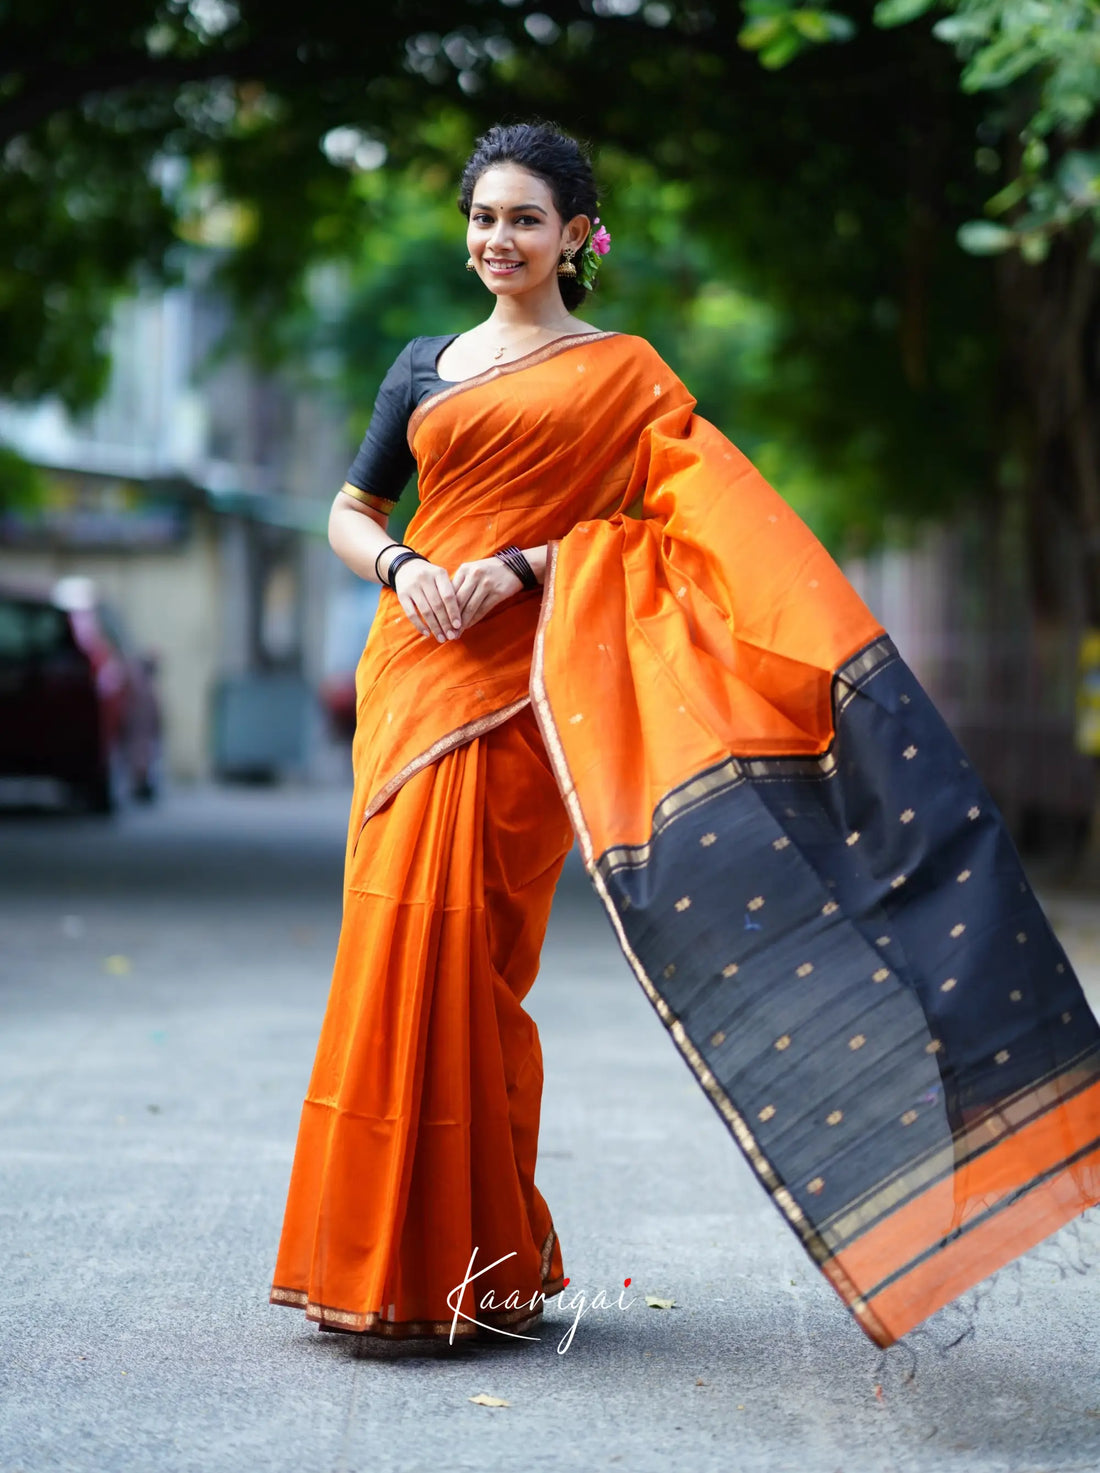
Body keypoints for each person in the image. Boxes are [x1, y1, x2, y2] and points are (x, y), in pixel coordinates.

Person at [271, 121, 1100, 1350]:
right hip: (411, 681)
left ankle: (467, 1267)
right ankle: (370, 1258)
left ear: (573, 236)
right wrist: (399, 568)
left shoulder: (622, 375)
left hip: (518, 687)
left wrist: (517, 565)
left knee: (472, 966)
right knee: (387, 948)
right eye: (483, 217)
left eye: (524, 219)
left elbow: (678, 536)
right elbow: (351, 509)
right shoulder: (421, 364)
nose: (498, 239)